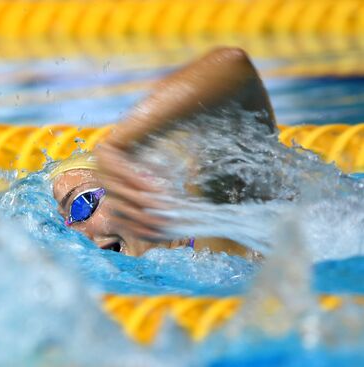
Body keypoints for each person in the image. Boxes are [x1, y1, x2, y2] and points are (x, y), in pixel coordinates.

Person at [51, 47, 276, 257]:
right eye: (65, 228)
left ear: (138, 183)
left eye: (82, 205)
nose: (78, 236)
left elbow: (234, 67)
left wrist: (116, 147)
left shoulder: (218, 213)